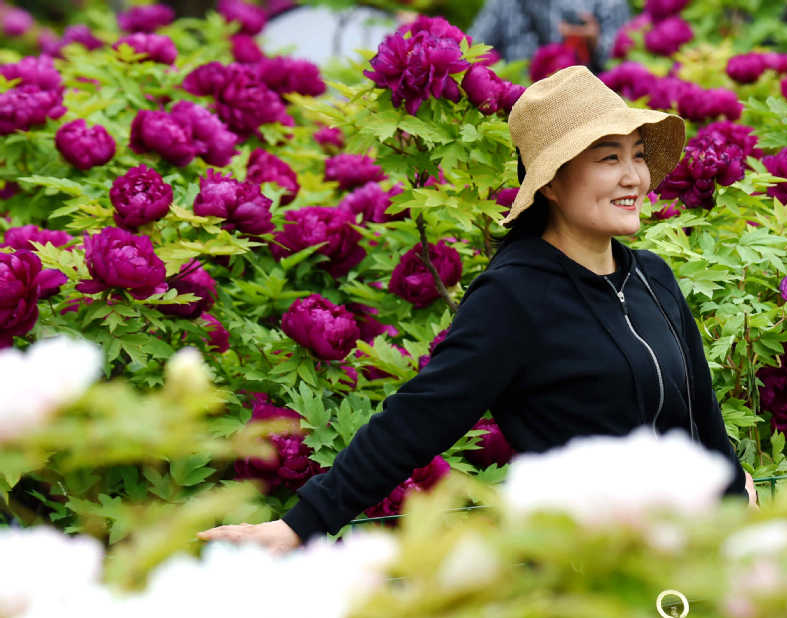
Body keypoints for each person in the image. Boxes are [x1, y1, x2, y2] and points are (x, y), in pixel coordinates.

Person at [199, 65, 755, 553]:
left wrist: (734, 496)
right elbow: (420, 416)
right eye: (608, 158)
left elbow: (699, 412)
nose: (633, 176)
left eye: (637, 156)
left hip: (693, 552)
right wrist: (301, 525)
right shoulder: (516, 295)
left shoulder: (650, 276)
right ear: (552, 183)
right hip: (589, 568)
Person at [467, 0, 630, 69]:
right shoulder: (505, 3)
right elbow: (472, 50)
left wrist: (595, 42)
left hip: (581, 103)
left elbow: (624, 62)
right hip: (519, 102)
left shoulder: (607, 3)